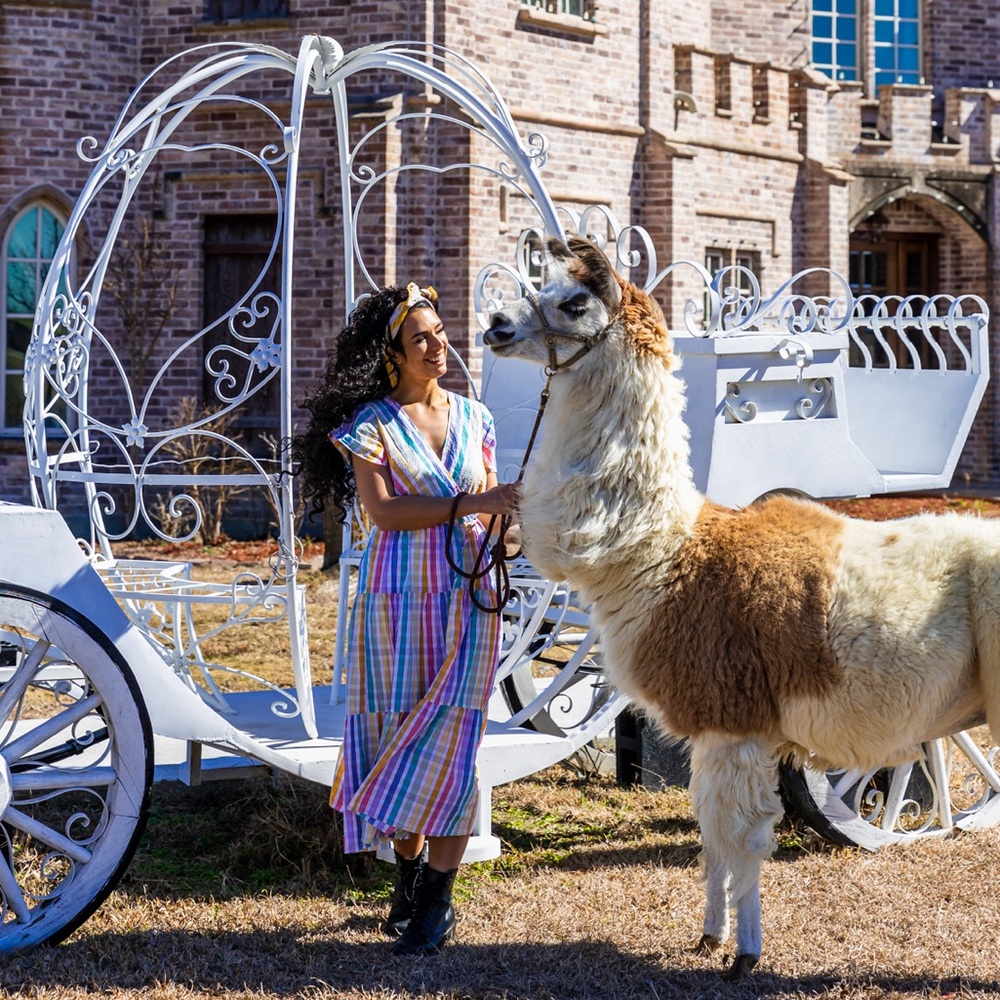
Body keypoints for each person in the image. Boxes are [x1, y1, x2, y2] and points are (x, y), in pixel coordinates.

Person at [293, 283, 518, 955]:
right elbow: (383, 515)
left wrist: (503, 523)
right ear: (392, 355)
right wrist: (469, 506)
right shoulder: (372, 426)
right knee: (398, 742)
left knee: (452, 745)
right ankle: (410, 876)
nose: (436, 345)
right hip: (397, 603)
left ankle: (436, 906)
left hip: (469, 603)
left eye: (441, 333)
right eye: (420, 338)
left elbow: (493, 507)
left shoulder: (477, 419)